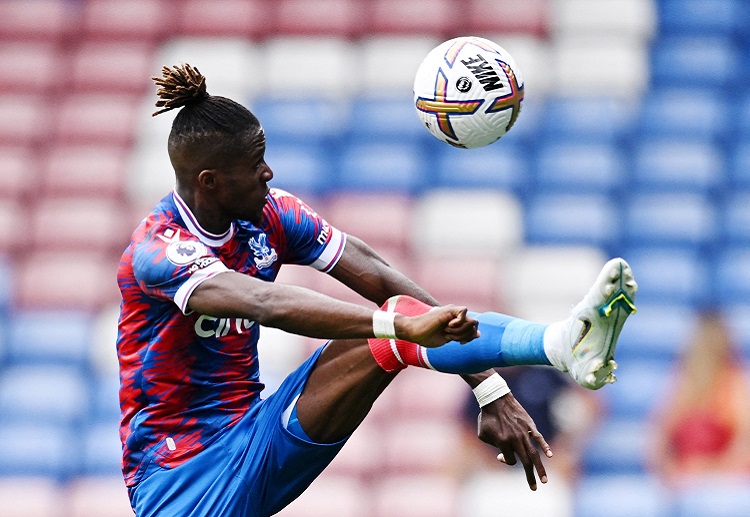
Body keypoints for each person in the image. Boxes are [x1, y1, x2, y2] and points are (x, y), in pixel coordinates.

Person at [116, 63, 638, 517]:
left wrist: (489, 386)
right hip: (184, 482)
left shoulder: (270, 213)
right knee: (393, 325)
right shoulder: (159, 251)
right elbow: (265, 303)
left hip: (258, 432)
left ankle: (562, 342)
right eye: (255, 167)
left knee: (395, 318)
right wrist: (399, 325)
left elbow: (378, 273)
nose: (268, 173)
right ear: (210, 182)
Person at [650, 311, 750, 485]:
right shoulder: (682, 384)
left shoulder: (734, 384)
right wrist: (673, 472)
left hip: (725, 479)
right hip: (686, 477)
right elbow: (657, 443)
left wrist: (714, 471)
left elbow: (744, 443)